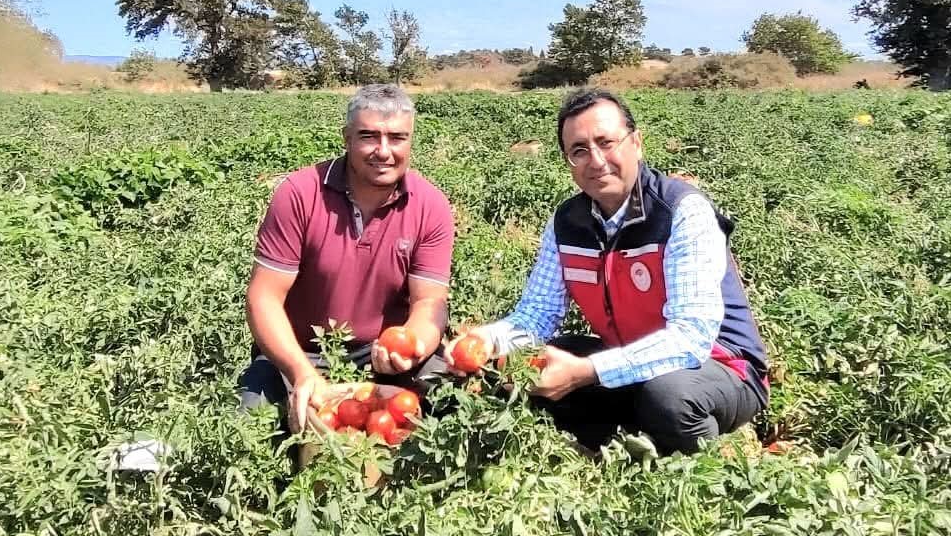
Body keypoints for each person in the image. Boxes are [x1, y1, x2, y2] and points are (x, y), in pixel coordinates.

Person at [448, 88, 769, 455]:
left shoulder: (681, 211)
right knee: (529, 365)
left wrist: (588, 371)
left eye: (606, 142)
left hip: (719, 366)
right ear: (567, 160)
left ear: (636, 143)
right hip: (629, 355)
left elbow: (691, 337)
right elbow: (537, 315)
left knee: (669, 398)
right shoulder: (567, 223)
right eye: (579, 151)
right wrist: (487, 341)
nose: (596, 161)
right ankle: (627, 437)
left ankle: (705, 457)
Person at [238, 84, 455, 431]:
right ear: (347, 138)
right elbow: (263, 297)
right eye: (369, 136)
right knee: (249, 422)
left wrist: (409, 346)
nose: (383, 151)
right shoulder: (300, 193)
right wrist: (301, 371)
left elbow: (430, 301)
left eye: (397, 138)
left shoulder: (430, 206)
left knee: (452, 398)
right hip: (300, 350)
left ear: (410, 141)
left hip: (379, 352)